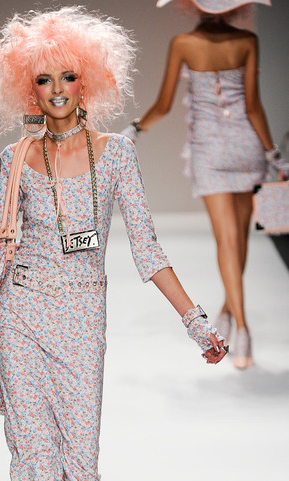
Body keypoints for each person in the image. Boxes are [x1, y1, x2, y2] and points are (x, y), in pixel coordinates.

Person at [0, 7, 227, 481]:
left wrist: (196, 321)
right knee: (34, 464)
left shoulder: (116, 155)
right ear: (28, 88)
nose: (56, 89)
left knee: (81, 477)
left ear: (88, 81)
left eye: (67, 76)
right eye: (43, 78)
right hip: (20, 318)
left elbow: (147, 248)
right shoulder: (14, 159)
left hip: (82, 324)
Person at [122, 0, 288, 369]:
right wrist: (273, 154)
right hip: (246, 147)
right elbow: (253, 107)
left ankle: (241, 326)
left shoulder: (183, 43)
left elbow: (164, 104)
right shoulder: (247, 40)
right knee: (239, 240)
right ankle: (233, 317)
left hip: (209, 152)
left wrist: (135, 129)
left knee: (227, 241)